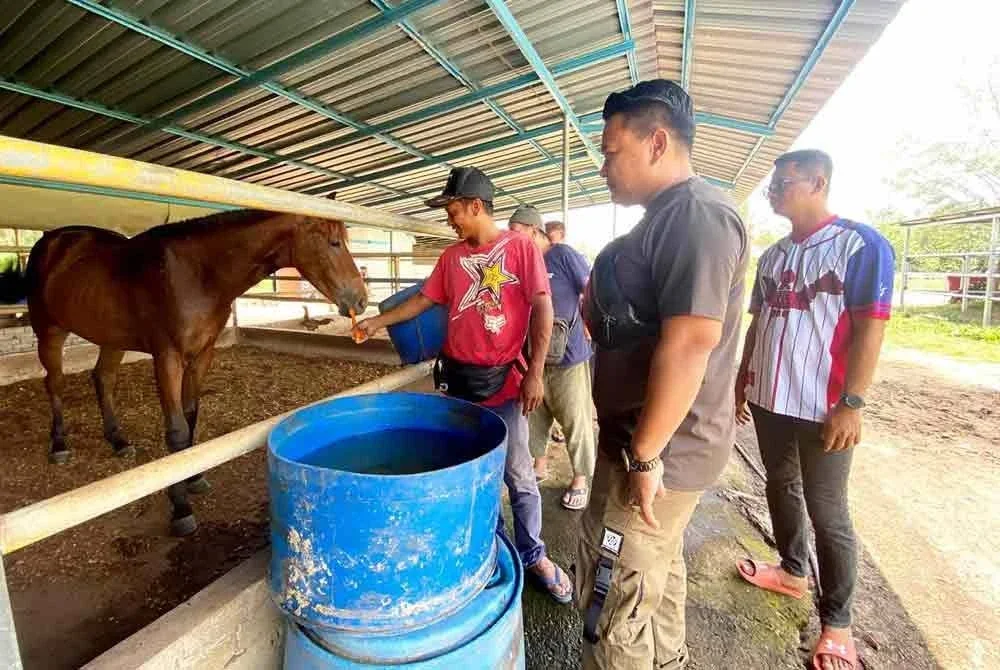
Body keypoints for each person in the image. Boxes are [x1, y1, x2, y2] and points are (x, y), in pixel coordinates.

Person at [577, 79, 748, 669]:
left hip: (656, 453)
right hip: (642, 444)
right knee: (657, 573)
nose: (603, 166)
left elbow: (693, 341)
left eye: (610, 150)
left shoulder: (696, 215)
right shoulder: (662, 219)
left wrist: (647, 455)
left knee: (613, 598)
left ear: (655, 143)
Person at [355, 166, 574, 604]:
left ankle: (533, 555)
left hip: (506, 386)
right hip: (459, 386)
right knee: (475, 475)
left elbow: (542, 306)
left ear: (476, 206)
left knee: (519, 475)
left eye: (454, 210)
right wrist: (378, 320)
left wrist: (534, 372)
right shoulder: (451, 259)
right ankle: (488, 547)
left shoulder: (520, 249)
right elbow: (422, 301)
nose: (450, 219)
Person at [735, 149, 894, 670]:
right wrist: (742, 380)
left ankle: (838, 624)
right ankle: (791, 571)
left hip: (824, 404)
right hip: (771, 397)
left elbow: (871, 327)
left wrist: (853, 402)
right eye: (773, 186)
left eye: (782, 184)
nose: (773, 193)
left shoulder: (860, 245)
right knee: (779, 485)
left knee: (829, 511)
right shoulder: (774, 255)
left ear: (817, 182)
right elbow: (758, 325)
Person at [508, 205, 596, 511]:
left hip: (568, 356)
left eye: (517, 233)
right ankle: (539, 466)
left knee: (576, 420)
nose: (512, 239)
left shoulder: (562, 255)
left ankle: (581, 479)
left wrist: (587, 324)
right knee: (535, 416)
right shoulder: (520, 262)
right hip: (534, 357)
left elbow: (590, 290)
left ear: (534, 231)